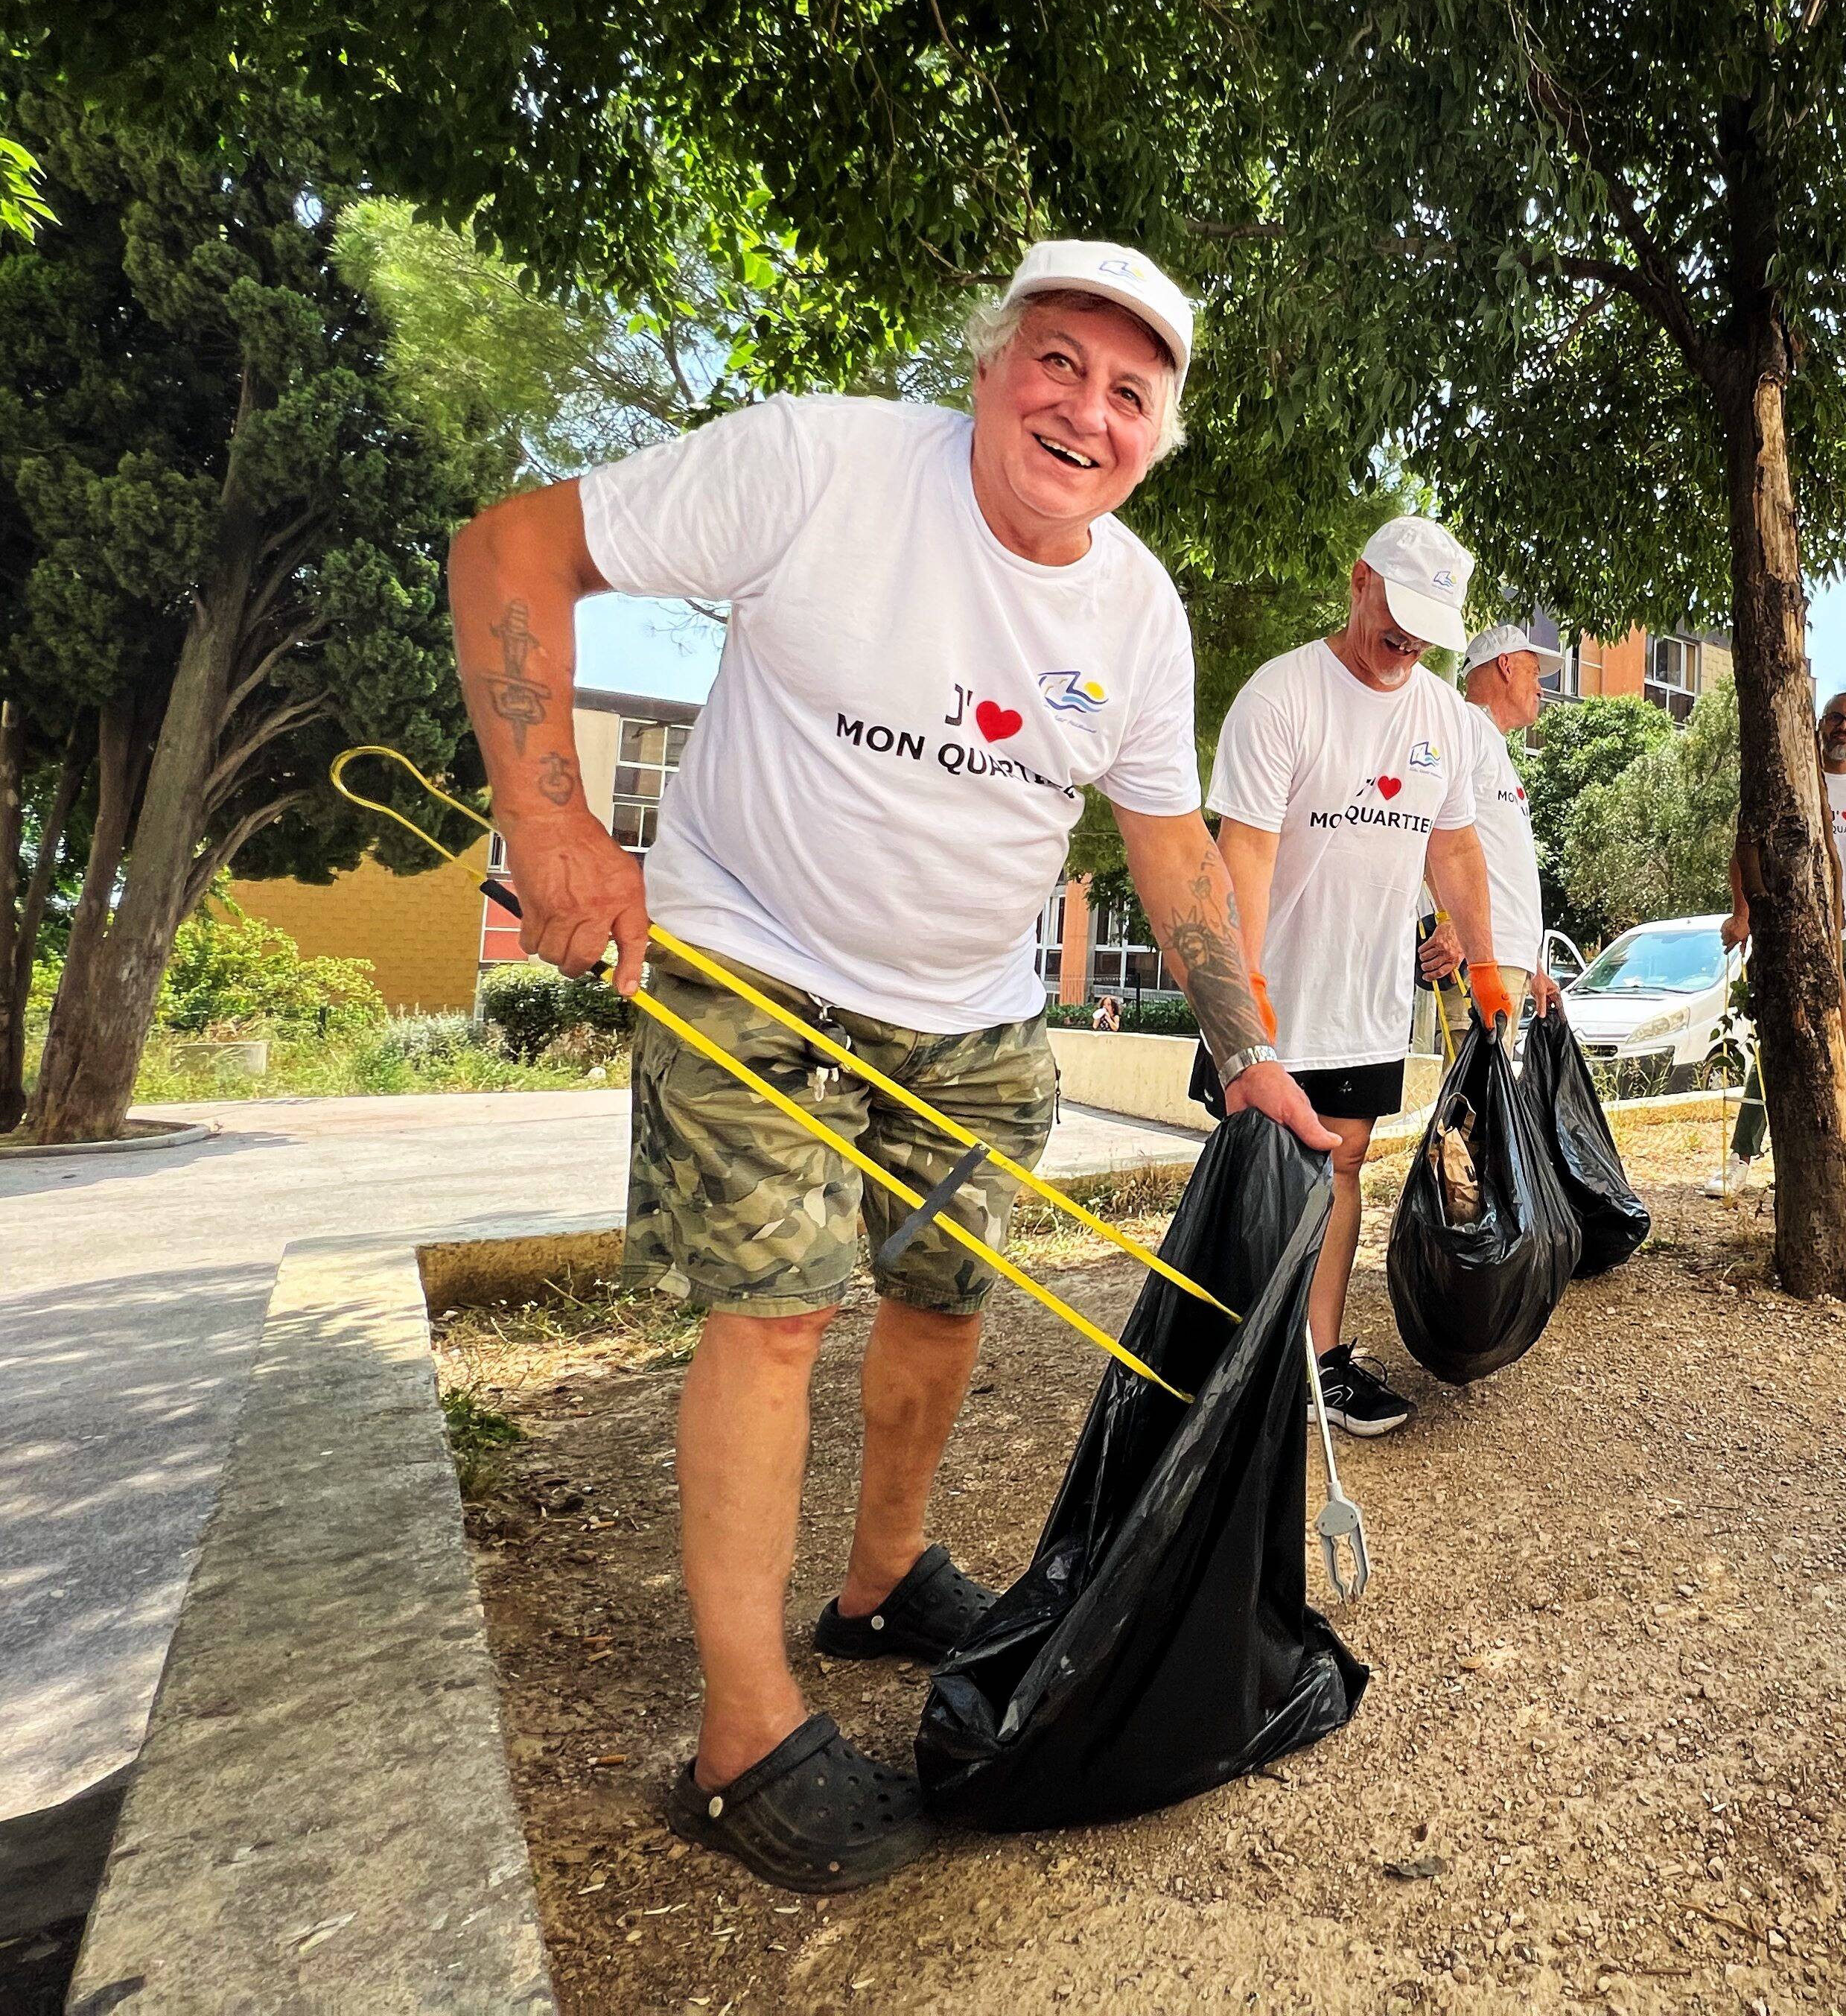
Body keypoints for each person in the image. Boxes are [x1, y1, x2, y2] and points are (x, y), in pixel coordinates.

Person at [448, 239, 1334, 1892]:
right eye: (1059, 364)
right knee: (776, 1311)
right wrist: (554, 821)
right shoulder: (817, 464)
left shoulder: (1138, 610)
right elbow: (509, 547)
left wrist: (1250, 1054)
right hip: (748, 957)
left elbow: (1172, 853)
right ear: (993, 366)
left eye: (1130, 394)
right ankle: (743, 1735)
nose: (1086, 410)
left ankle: (880, 1578)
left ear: (1156, 438)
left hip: (975, 1008)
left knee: (943, 1298)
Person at [1208, 514, 1511, 1437]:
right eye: (1400, 611)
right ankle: (1232, 1360)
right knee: (1253, 1177)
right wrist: (1240, 995)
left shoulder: (1443, 722)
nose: (1409, 638)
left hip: (1366, 999)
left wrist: (1486, 959)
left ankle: (1319, 1361)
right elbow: (1244, 856)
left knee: (1343, 1169)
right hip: (1275, 993)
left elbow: (1453, 847)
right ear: (1358, 582)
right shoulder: (1282, 696)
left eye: (1430, 624)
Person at [1705, 685, 1846, 1198]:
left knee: (1842, 1051)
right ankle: (1742, 1156)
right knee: (1780, 1044)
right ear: (1820, 723)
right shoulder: (1793, 781)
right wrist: (1743, 915)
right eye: (1836, 716)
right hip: (1796, 933)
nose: (1844, 727)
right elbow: (1746, 847)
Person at [1415, 624, 1565, 1049]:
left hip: (1504, 959)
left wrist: (1532, 963)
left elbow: (1503, 863)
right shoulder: (1464, 726)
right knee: (1474, 1106)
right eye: (1535, 674)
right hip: (1478, 959)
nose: (1541, 689)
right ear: (1504, 666)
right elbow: (1432, 830)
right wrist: (1449, 922)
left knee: (1488, 1106)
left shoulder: (1493, 745)